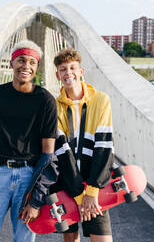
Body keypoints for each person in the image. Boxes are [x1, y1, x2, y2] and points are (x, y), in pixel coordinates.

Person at [0, 40, 59, 242]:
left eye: (32, 63)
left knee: (24, 239)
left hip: (28, 178)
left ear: (37, 67)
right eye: (21, 60)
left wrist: (35, 200)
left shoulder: (46, 101)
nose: (26, 66)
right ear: (11, 63)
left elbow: (48, 155)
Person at [52, 48, 114, 242]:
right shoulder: (55, 106)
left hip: (93, 186)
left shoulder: (101, 100)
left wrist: (92, 192)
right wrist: (79, 195)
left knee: (102, 239)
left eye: (72, 68)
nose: (68, 72)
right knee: (71, 239)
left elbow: (104, 147)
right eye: (63, 69)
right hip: (66, 184)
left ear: (81, 71)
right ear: (57, 75)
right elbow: (62, 152)